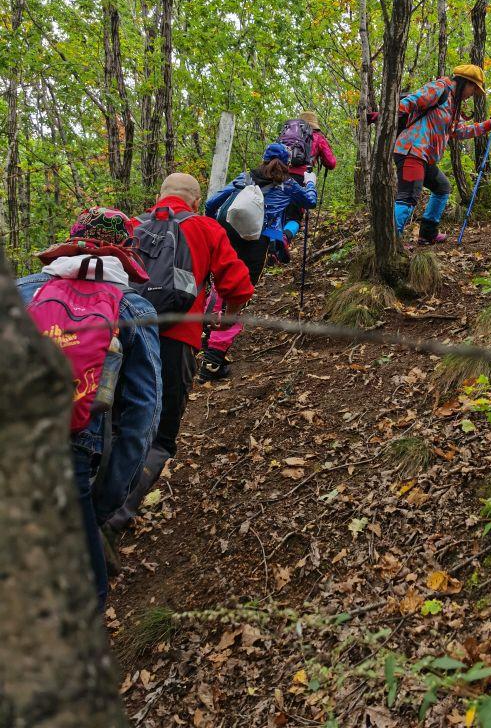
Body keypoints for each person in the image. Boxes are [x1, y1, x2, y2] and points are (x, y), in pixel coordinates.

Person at [15, 207, 162, 609]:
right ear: (127, 251)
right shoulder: (131, 306)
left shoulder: (20, 290)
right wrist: (106, 503)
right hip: (73, 449)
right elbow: (143, 413)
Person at [105, 174, 254, 534]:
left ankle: (93, 502)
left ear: (159, 196)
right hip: (177, 340)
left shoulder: (129, 227)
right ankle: (114, 515)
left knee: (115, 418)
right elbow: (238, 285)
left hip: (121, 336)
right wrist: (226, 319)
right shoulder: (205, 228)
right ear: (197, 200)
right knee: (161, 434)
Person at [201, 144, 318, 381]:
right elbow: (310, 202)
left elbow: (211, 204)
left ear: (263, 159)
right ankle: (212, 361)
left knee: (219, 285)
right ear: (287, 163)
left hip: (229, 237)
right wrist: (310, 182)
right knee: (239, 296)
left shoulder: (244, 178)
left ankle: (204, 331)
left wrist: (215, 226)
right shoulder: (288, 184)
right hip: (258, 243)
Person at [393, 65, 491, 245]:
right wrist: (383, 115)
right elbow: (410, 102)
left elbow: (458, 132)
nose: (472, 94)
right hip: (411, 150)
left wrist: (486, 125)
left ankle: (427, 234)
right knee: (409, 196)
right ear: (466, 82)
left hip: (425, 157)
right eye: (473, 89)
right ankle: (390, 242)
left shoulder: (454, 105)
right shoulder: (439, 88)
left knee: (442, 188)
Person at [283, 111, 336, 248]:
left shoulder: (286, 136)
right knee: (294, 217)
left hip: (279, 176)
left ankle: (270, 246)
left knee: (277, 211)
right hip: (301, 179)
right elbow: (331, 163)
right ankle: (283, 241)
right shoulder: (318, 138)